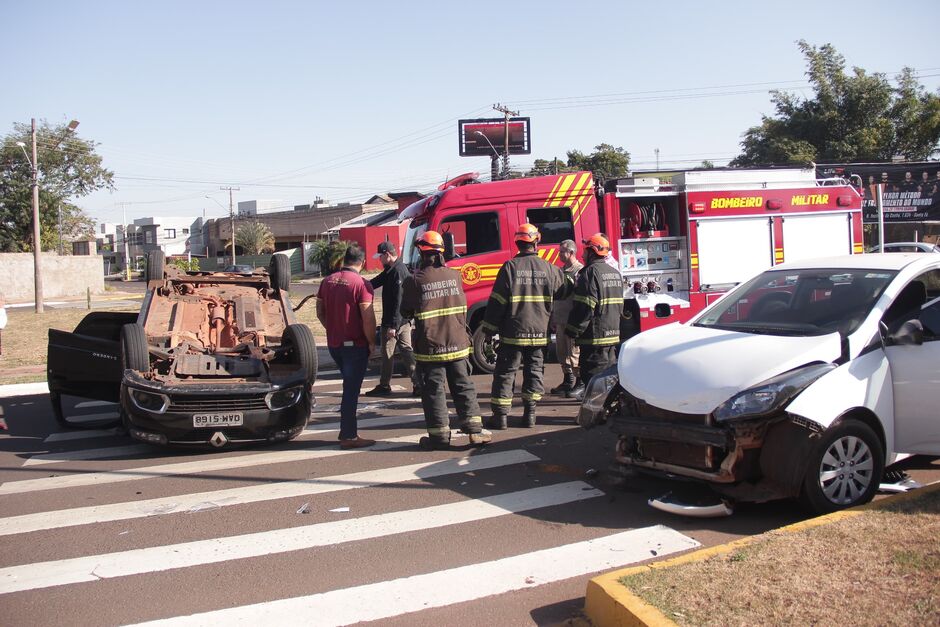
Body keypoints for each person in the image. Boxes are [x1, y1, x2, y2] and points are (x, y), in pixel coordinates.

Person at [400, 231, 491, 450]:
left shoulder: (415, 281)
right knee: (463, 386)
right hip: (458, 342)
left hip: (431, 347)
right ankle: (475, 432)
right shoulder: (455, 275)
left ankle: (439, 437)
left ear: (422, 252)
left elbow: (406, 310)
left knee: (434, 391)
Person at [482, 223, 569, 429]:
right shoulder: (550, 269)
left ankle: (501, 417)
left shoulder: (509, 268)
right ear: (536, 241)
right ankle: (530, 415)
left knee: (506, 372)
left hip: (512, 332)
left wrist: (488, 329)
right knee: (534, 371)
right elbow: (565, 291)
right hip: (539, 333)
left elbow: (497, 302)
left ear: (518, 242)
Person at [316, 244, 377, 449]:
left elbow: (320, 312)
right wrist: (371, 342)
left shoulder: (327, 281)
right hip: (355, 346)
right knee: (351, 391)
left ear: (345, 260)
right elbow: (368, 318)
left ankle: (349, 433)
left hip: (335, 345)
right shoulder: (361, 284)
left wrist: (333, 329)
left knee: (349, 387)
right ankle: (348, 436)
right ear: (362, 262)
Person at [565, 234, 624, 397]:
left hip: (594, 338)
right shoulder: (615, 273)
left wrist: (572, 330)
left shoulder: (589, 273)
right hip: (612, 335)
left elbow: (585, 307)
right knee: (609, 378)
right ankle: (607, 412)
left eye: (585, 251)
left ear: (592, 252)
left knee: (594, 380)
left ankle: (595, 416)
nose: (582, 255)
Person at [365, 241, 418, 397]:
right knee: (407, 352)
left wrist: (393, 326)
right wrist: (358, 284)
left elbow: (398, 301)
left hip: (396, 322)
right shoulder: (391, 270)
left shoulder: (398, 272)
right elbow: (374, 282)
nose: (378, 260)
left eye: (380, 256)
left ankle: (385, 385)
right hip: (403, 321)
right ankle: (417, 384)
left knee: (388, 354)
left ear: (387, 254)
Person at [549, 240, 584, 398]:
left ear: (571, 253)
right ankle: (567, 380)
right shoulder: (562, 271)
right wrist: (552, 318)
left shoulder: (579, 271)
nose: (559, 254)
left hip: (572, 320)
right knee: (562, 352)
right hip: (560, 319)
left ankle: (580, 383)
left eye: (562, 251)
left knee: (574, 353)